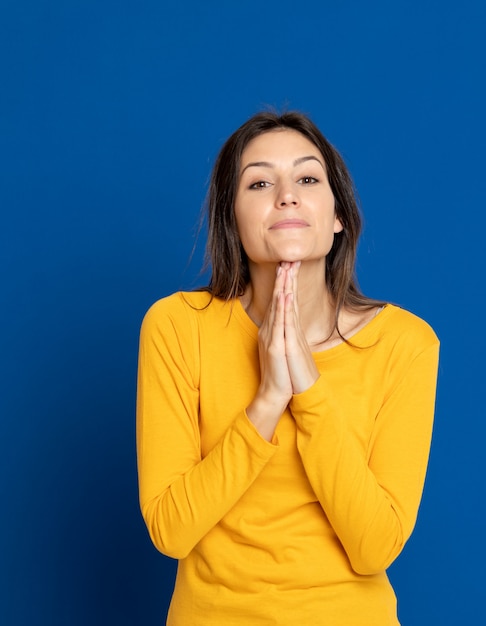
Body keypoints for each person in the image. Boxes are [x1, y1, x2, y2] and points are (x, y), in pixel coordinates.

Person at [136, 111, 439, 626]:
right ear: (232, 218)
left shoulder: (405, 343)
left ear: (338, 214)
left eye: (306, 178)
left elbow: (375, 548)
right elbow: (171, 530)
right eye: (259, 182)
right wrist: (268, 399)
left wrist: (309, 391)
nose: (287, 195)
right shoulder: (175, 326)